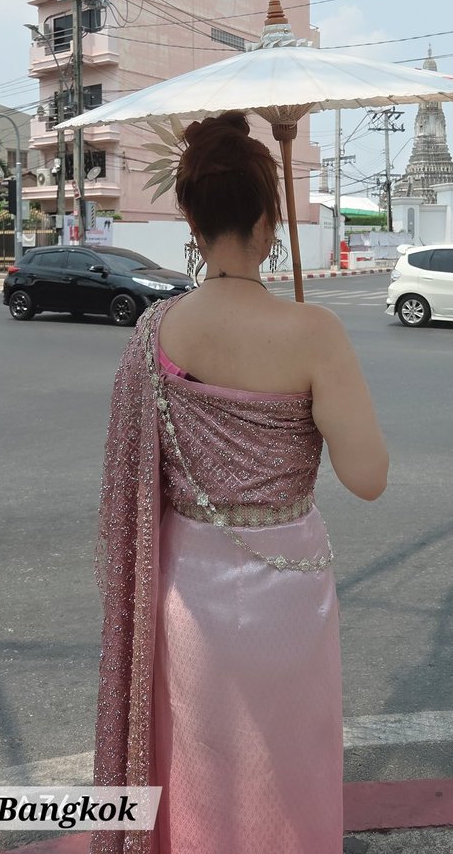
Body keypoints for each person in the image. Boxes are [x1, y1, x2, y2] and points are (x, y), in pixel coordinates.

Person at [92, 112, 389, 854]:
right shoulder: (314, 331)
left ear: (191, 219)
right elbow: (368, 478)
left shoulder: (156, 332)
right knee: (289, 773)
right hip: (289, 594)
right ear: (270, 219)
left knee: (201, 771)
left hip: (185, 594)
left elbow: (137, 479)